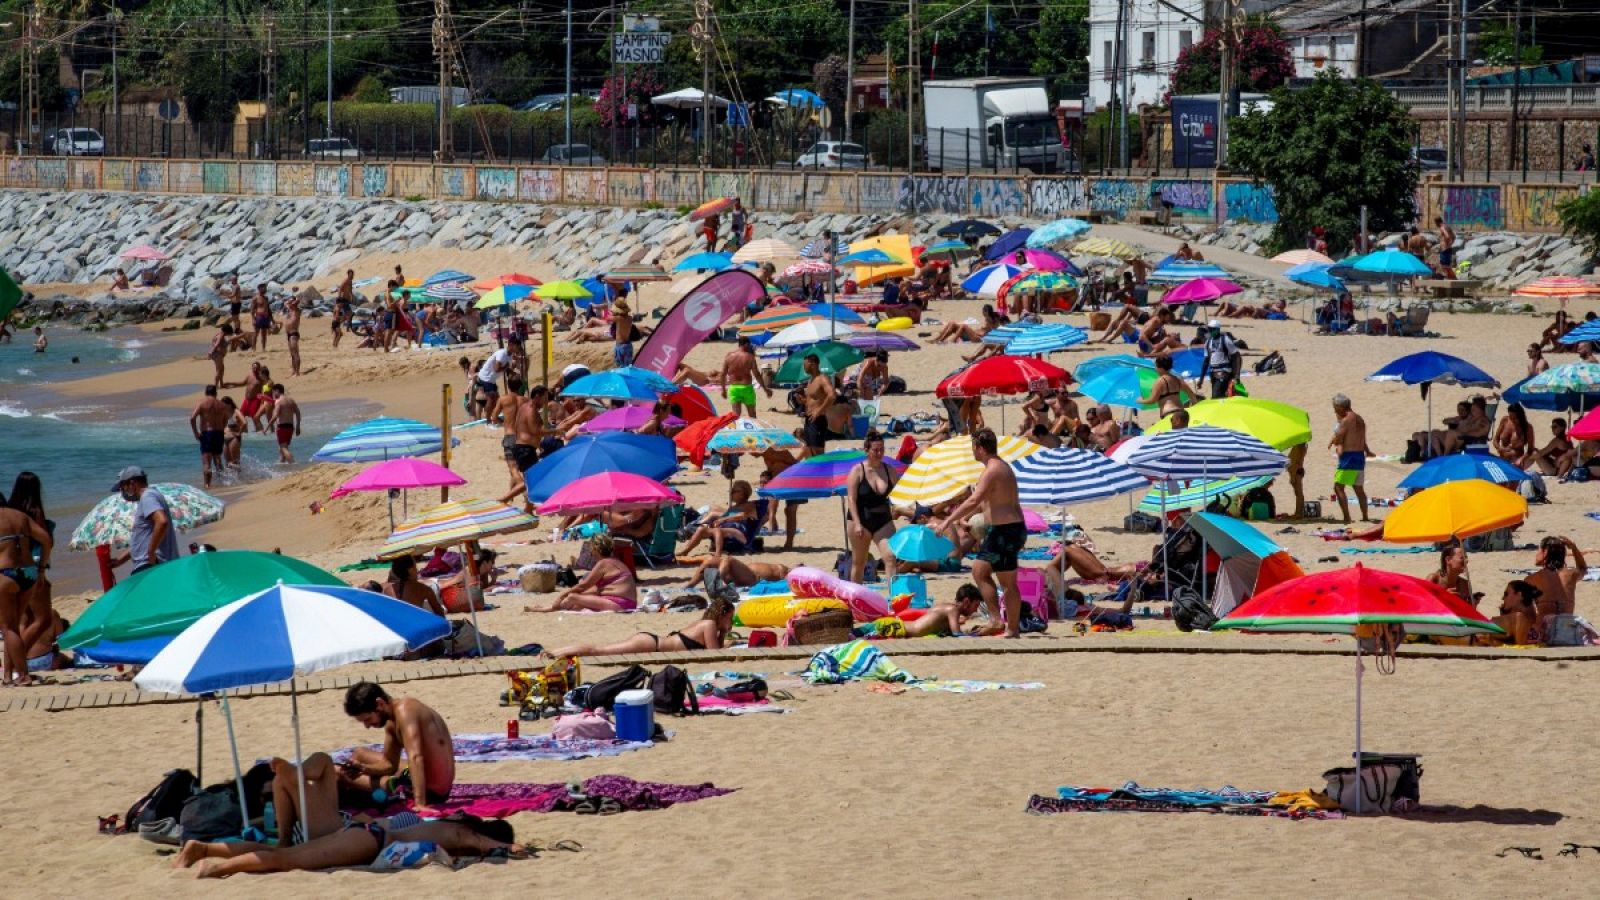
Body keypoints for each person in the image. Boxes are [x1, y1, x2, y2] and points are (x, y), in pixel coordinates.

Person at [174, 811, 522, 877]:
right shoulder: (459, 832)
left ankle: (204, 849)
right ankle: (216, 869)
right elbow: (474, 840)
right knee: (286, 860)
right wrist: (509, 849)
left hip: (363, 834)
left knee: (287, 854)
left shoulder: (448, 823)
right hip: (367, 840)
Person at [935, 429, 1027, 638]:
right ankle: (1007, 626)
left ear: (980, 448)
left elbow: (974, 500)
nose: (972, 452)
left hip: (1006, 530)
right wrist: (964, 518)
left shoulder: (993, 470)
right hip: (1008, 529)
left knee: (995, 577)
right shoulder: (999, 467)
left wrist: (947, 521)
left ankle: (1003, 624)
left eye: (973, 448)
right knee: (983, 571)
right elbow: (987, 502)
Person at [337, 682, 456, 813]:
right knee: (360, 753)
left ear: (380, 703)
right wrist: (364, 768)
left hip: (431, 792)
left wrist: (420, 803)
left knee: (337, 772)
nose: (367, 726)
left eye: (368, 719)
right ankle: (354, 792)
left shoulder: (405, 711)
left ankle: (352, 795)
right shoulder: (393, 721)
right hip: (428, 780)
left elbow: (416, 757)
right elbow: (389, 764)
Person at [546, 596, 736, 659]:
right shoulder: (710, 625)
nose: (731, 621)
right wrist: (725, 634)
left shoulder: (704, 623)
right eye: (730, 618)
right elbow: (713, 654)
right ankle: (554, 653)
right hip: (651, 644)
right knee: (599, 650)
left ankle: (555, 652)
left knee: (600, 650)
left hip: (651, 641)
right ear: (723, 614)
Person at [0, 492, 52, 686]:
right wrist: (41, 568)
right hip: (28, 573)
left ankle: (22, 675)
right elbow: (46, 539)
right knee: (12, 629)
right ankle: (7, 677)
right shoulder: (19, 516)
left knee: (8, 628)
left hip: (5, 574)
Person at [526, 534, 638, 612]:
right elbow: (593, 589)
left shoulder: (603, 563)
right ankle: (547, 608)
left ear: (595, 549)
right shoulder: (616, 562)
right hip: (627, 603)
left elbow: (583, 586)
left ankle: (548, 609)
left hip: (619, 604)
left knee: (572, 597)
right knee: (577, 603)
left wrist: (562, 596)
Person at [845, 431, 900, 585]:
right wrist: (856, 523)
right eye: (875, 450)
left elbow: (899, 494)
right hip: (860, 519)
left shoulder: (889, 470)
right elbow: (851, 499)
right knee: (859, 562)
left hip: (883, 520)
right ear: (867, 450)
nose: (879, 453)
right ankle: (855, 599)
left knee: (890, 557)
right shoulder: (858, 470)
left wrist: (901, 508)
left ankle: (895, 599)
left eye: (882, 449)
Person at [109, 467, 179, 575]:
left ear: (132, 483)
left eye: (123, 487)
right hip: (153, 564)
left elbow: (162, 522)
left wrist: (151, 553)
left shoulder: (147, 496)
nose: (123, 492)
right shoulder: (151, 495)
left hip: (151, 565)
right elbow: (142, 542)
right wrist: (120, 560)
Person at [678, 480, 762, 556]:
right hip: (727, 531)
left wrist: (723, 519)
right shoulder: (735, 506)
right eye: (731, 491)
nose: (730, 493)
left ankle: (717, 554)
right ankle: (686, 550)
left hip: (739, 534)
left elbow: (742, 516)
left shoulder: (749, 505)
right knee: (701, 529)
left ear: (742, 494)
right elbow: (728, 514)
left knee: (716, 530)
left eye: (733, 491)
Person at [1329, 394, 1372, 523]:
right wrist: (1367, 451)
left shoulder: (1346, 420)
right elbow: (1362, 439)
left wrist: (1335, 443)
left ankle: (1347, 517)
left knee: (1338, 487)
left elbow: (1339, 438)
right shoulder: (1360, 419)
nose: (1334, 410)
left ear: (1341, 407)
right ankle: (1365, 516)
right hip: (1360, 456)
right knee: (1359, 489)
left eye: (1335, 407)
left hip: (1349, 457)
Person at [1526, 537, 1585, 629]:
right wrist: (1574, 548)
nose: (1536, 554)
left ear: (1545, 552)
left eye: (1538, 550)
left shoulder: (1531, 579)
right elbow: (1583, 568)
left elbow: (1526, 610)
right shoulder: (1571, 574)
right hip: (1567, 628)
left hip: (1545, 629)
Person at [901, 584, 985, 638]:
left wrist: (969, 631)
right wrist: (976, 634)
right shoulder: (953, 610)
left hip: (902, 627)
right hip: (899, 629)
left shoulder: (947, 607)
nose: (976, 609)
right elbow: (957, 634)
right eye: (976, 605)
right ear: (966, 602)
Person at [189, 385, 229, 489]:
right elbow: (226, 419)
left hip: (207, 433)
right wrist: (221, 428)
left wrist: (196, 433)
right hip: (219, 433)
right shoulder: (222, 405)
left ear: (206, 393)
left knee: (207, 462)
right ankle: (223, 482)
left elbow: (192, 418)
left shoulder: (202, 403)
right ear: (216, 393)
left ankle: (207, 486)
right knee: (218, 459)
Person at [720, 336, 771, 417]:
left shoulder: (729, 356)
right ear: (746, 344)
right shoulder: (750, 357)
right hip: (747, 388)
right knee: (752, 415)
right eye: (749, 345)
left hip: (734, 388)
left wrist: (723, 390)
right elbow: (757, 374)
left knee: (736, 416)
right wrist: (765, 389)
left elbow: (723, 374)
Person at [680, 555, 791, 590]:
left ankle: (716, 583)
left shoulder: (786, 574)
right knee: (710, 560)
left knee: (729, 559)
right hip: (741, 574)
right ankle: (690, 584)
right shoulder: (785, 569)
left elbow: (785, 585)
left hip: (753, 579)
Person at [801, 353, 838, 457]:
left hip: (818, 420)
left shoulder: (822, 379)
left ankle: (823, 473)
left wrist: (819, 410)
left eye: (805, 364)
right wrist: (803, 401)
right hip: (809, 419)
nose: (804, 367)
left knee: (818, 452)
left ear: (813, 364)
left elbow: (832, 395)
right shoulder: (811, 380)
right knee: (808, 451)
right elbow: (815, 399)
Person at [1197, 319, 1241, 399]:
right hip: (1213, 373)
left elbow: (1237, 356)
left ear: (1218, 329)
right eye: (1209, 329)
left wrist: (1237, 375)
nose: (1210, 331)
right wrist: (1201, 379)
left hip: (1224, 373)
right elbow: (1206, 361)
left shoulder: (1225, 340)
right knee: (1221, 395)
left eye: (1212, 329)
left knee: (1216, 396)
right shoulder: (1208, 342)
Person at [1493, 580, 1542, 645]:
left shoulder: (1519, 618)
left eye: (1506, 594)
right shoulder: (1532, 619)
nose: (1503, 598)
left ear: (1519, 595)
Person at [1428, 542, 1473, 608]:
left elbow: (1468, 611)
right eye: (1462, 558)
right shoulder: (1434, 579)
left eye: (1466, 557)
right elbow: (1424, 606)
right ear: (1448, 560)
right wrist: (1443, 597)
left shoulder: (1464, 584)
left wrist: (1474, 603)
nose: (1466, 560)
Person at [1494, 402, 1536, 467]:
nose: (1513, 420)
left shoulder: (1527, 428)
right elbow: (1496, 439)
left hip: (1517, 461)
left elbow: (1530, 450)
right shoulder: (1505, 420)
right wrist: (1499, 448)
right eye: (1511, 417)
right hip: (1503, 458)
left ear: (1521, 416)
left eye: (1515, 418)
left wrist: (1521, 459)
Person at [269, 384, 301, 464]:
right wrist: (298, 426)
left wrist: (268, 426)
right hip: (290, 427)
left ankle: (293, 464)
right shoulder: (291, 400)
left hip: (282, 427)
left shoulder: (279, 401)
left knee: (283, 448)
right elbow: (298, 413)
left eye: (273, 392)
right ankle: (281, 464)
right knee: (282, 448)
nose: (273, 394)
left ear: (277, 391)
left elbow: (275, 415)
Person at [240, 361, 269, 432]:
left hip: (255, 400)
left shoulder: (261, 378)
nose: (254, 369)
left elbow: (266, 387)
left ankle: (260, 431)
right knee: (240, 416)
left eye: (256, 368)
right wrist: (231, 384)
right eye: (253, 367)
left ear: (259, 369)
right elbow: (242, 383)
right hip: (246, 400)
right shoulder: (249, 376)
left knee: (255, 418)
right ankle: (245, 432)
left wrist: (262, 401)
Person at [221, 396, 246, 469]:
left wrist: (239, 433)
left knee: (235, 462)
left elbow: (244, 423)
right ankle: (230, 480)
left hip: (233, 439)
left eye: (223, 405)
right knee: (227, 463)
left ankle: (239, 478)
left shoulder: (236, 412)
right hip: (225, 439)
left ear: (229, 404)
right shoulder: (224, 413)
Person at [207, 323, 233, 389]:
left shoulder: (218, 334)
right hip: (217, 355)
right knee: (219, 370)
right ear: (226, 331)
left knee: (221, 369)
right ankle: (215, 386)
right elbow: (217, 344)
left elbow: (214, 342)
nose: (228, 334)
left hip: (217, 354)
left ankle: (221, 384)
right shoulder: (221, 336)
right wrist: (211, 352)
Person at [283, 294, 303, 376]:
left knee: (295, 353)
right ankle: (294, 371)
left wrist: (293, 300)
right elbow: (285, 303)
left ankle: (297, 372)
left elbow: (298, 299)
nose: (290, 303)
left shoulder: (296, 310)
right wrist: (289, 301)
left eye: (291, 301)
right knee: (292, 354)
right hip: (288, 334)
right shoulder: (290, 310)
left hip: (294, 334)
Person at [250, 283, 273, 352]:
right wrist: (253, 319)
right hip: (259, 317)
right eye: (264, 288)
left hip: (266, 317)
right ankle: (253, 349)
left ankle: (263, 348)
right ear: (259, 289)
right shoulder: (255, 298)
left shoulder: (266, 298)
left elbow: (268, 309)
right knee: (256, 333)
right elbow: (252, 310)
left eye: (265, 288)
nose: (265, 289)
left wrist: (272, 320)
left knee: (264, 334)